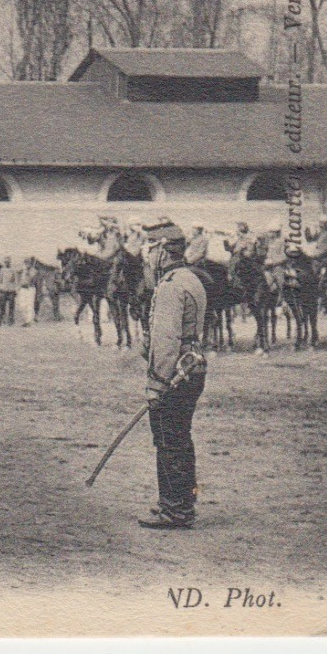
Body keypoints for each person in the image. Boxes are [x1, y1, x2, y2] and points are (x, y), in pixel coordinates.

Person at [138, 222, 209, 530]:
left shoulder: (170, 287)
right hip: (190, 369)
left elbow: (166, 341)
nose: (146, 258)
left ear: (161, 252)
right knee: (180, 438)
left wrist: (156, 384)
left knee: (169, 440)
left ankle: (175, 510)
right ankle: (182, 503)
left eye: (149, 251)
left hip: (175, 374)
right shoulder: (189, 278)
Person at [0, 256, 20, 327]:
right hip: (3, 291)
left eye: (8, 262)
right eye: (5, 262)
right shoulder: (2, 270)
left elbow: (16, 281)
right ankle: (0, 320)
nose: (6, 263)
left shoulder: (13, 270)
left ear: (10, 262)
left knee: (11, 306)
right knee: (2, 306)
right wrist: (1, 287)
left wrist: (15, 289)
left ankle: (10, 320)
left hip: (11, 291)